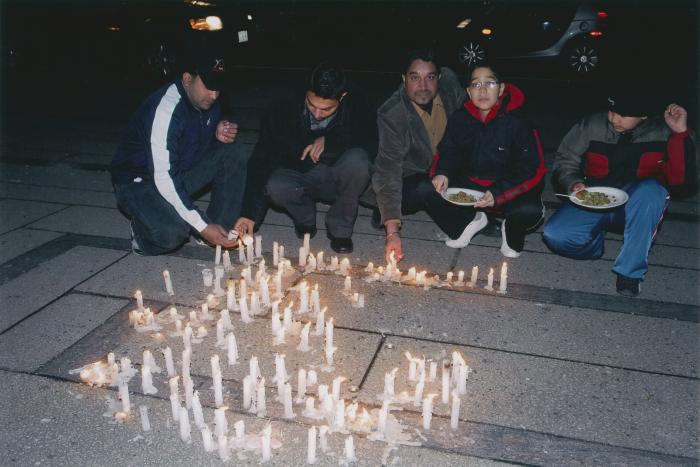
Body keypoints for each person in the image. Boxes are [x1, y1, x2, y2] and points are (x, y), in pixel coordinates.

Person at [543, 87, 697, 297]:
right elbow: (566, 160)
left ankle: (629, 273)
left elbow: (682, 182)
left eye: (624, 115)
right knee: (556, 235)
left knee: (652, 192)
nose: (615, 119)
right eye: (612, 111)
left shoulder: (665, 132)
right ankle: (594, 244)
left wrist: (680, 134)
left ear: (643, 115)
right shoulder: (592, 125)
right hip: (596, 199)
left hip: (638, 205)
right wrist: (574, 183)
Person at [111, 45, 247, 255]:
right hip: (139, 182)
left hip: (179, 172)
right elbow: (163, 177)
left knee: (232, 152)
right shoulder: (165, 109)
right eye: (209, 86)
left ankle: (218, 229)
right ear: (186, 79)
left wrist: (216, 134)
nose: (214, 95)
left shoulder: (208, 98)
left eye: (219, 88)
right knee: (172, 233)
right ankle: (141, 233)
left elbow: (191, 135)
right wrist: (200, 225)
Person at [234, 62, 375, 254]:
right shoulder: (282, 108)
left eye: (326, 110)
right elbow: (261, 158)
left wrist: (331, 142)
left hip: (335, 174)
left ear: (342, 97)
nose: (317, 114)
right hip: (299, 173)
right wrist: (249, 213)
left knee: (359, 163)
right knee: (275, 185)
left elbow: (372, 144)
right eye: (311, 105)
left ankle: (340, 229)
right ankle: (305, 220)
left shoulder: (358, 104)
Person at [432, 63, 547, 257]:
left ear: (501, 88)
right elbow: (448, 150)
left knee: (529, 210)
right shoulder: (460, 118)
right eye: (476, 85)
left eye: (490, 83)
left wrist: (498, 193)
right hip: (472, 187)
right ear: (468, 91)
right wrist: (442, 172)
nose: (483, 90)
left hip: (506, 190)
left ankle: (510, 229)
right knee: (429, 188)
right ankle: (472, 220)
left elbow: (532, 166)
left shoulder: (518, 122)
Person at [372, 48, 465, 263]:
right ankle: (385, 211)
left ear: (439, 78)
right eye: (415, 78)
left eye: (430, 78)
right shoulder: (392, 113)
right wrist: (392, 232)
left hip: (446, 167)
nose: (423, 86)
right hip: (410, 178)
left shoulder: (450, 86)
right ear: (404, 79)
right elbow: (388, 170)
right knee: (424, 188)